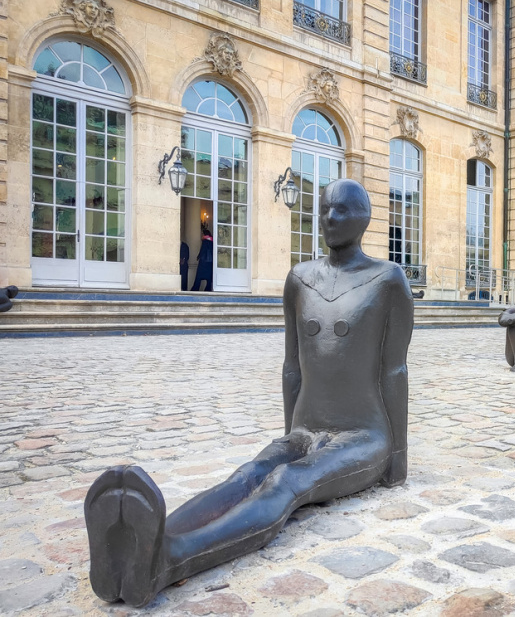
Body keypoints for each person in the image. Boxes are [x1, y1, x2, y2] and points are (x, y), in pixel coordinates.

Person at [84, 179, 414, 607]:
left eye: (343, 211)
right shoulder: (300, 279)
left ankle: (170, 559)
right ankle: (148, 538)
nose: (331, 219)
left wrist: (396, 458)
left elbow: (394, 370)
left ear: (364, 219)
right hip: (306, 428)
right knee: (249, 473)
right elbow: (292, 366)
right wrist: (290, 437)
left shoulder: (388, 280)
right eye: (325, 210)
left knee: (288, 481)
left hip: (363, 436)